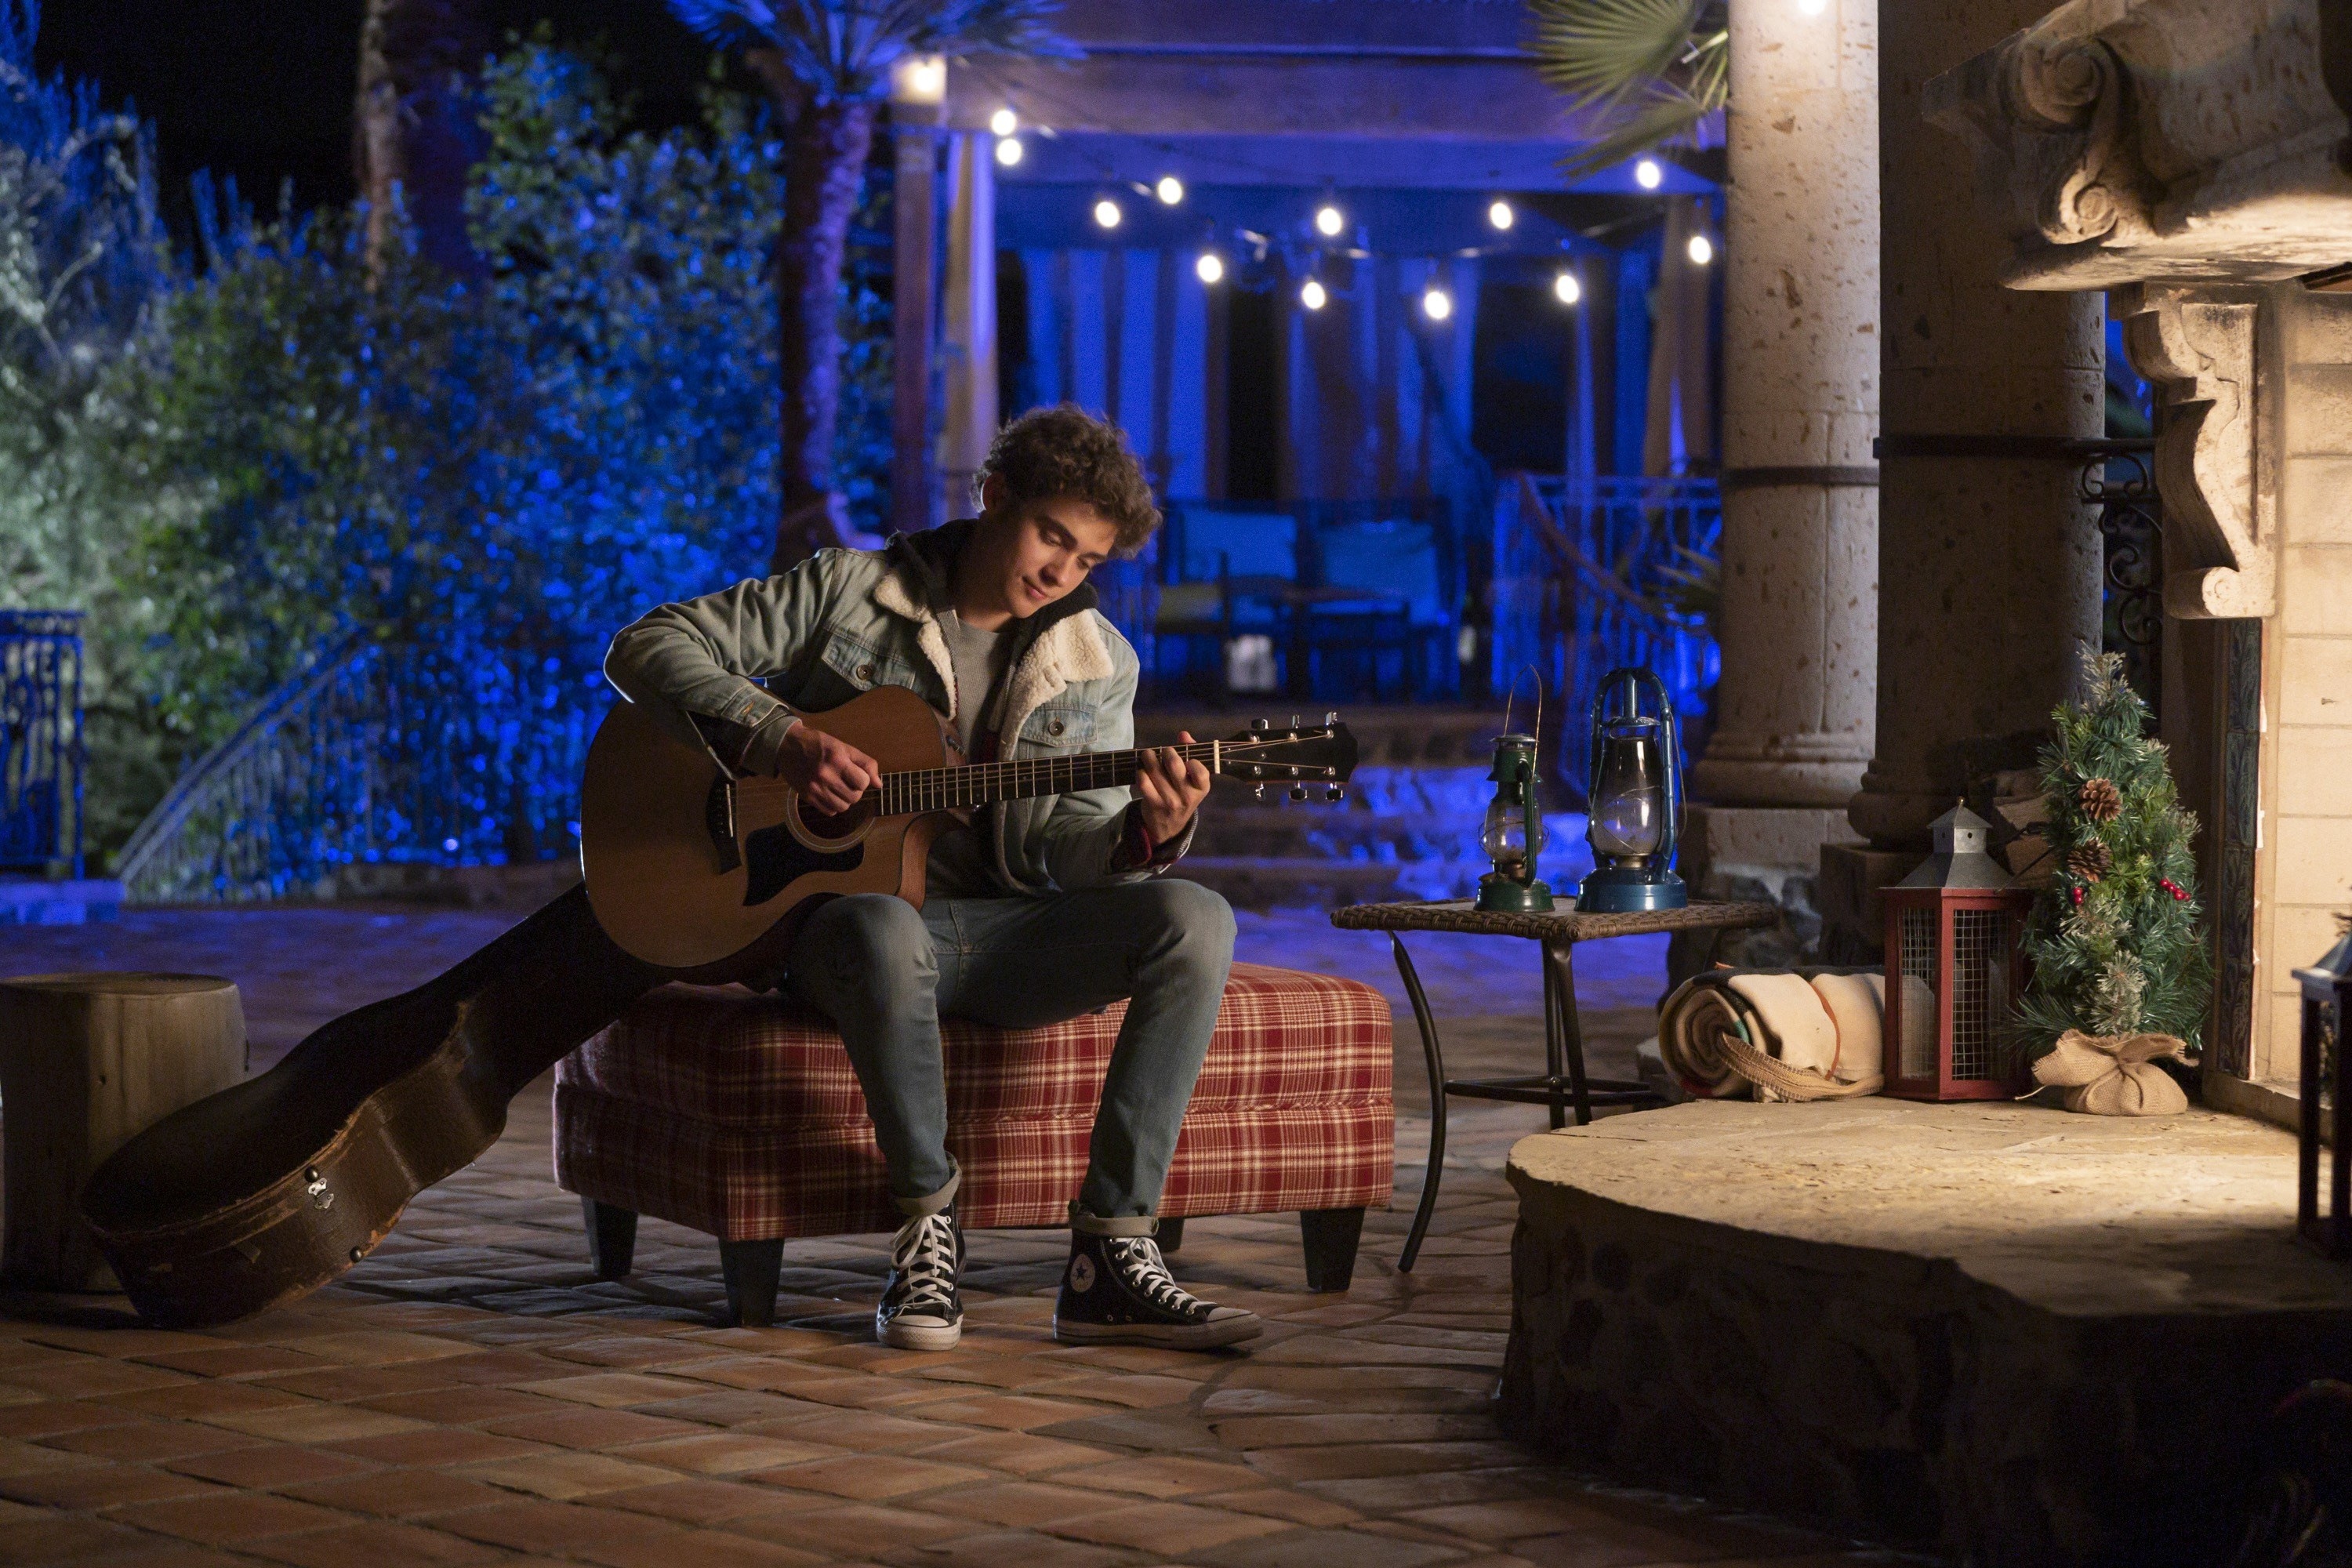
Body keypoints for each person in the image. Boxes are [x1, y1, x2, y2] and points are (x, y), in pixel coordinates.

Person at [603, 405, 1257, 1352]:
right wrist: (784, 740)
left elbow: (1063, 848)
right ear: (993, 497)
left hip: (1009, 936)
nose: (1062, 574)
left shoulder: (1099, 661)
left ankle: (1110, 1253)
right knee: (885, 926)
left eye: (1088, 562)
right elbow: (646, 645)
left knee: (1195, 915)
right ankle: (927, 1228)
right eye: (1051, 537)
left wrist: (1143, 838)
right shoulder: (852, 591)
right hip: (850, 931)